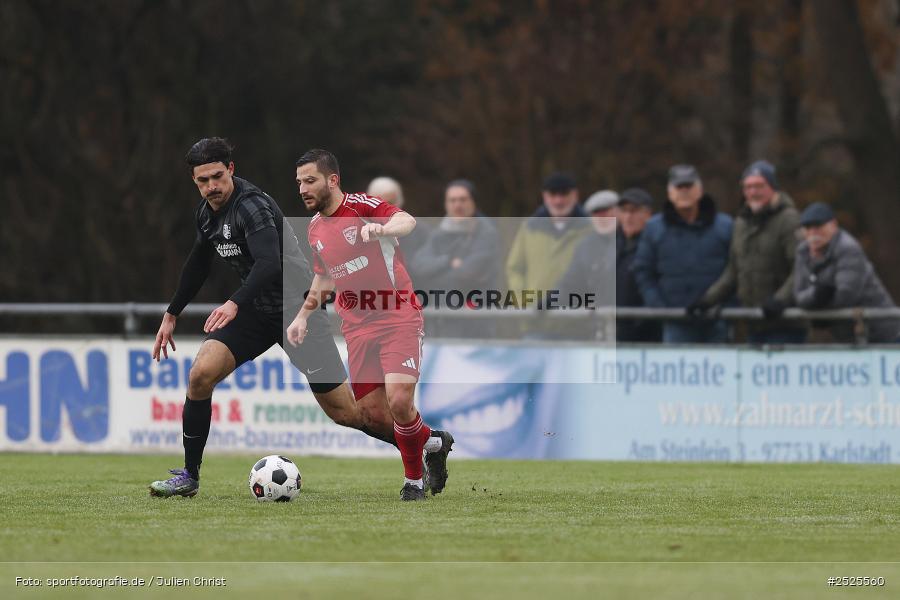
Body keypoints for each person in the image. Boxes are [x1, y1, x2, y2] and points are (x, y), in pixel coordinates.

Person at [148, 138, 398, 499]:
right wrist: (171, 314)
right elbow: (198, 264)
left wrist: (233, 303)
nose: (211, 187)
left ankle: (422, 443)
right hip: (255, 312)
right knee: (200, 375)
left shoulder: (252, 206)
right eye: (202, 181)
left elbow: (269, 263)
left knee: (348, 414)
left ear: (231, 170)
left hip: (297, 312)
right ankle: (189, 476)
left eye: (217, 177)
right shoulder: (206, 213)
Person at [289, 149, 453, 501]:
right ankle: (434, 442)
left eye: (311, 180)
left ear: (333, 180)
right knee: (372, 414)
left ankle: (412, 482)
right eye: (299, 182)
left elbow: (406, 220)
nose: (303, 188)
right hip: (357, 327)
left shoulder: (361, 207)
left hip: (397, 316)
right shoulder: (316, 229)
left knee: (398, 400)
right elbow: (324, 277)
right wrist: (303, 316)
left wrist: (384, 228)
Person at [690, 160, 805, 344]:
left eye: (759, 186)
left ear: (772, 187)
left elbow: (801, 268)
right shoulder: (741, 224)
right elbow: (734, 271)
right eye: (748, 187)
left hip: (786, 324)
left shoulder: (789, 220)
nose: (753, 192)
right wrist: (707, 300)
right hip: (754, 323)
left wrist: (780, 301)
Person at [632, 164, 733, 343]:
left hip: (716, 321)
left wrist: (725, 306)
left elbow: (736, 268)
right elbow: (642, 271)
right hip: (675, 323)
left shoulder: (724, 226)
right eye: (679, 187)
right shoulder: (655, 228)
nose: (684, 191)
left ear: (700, 191)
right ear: (670, 193)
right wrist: (661, 308)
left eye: (689, 186)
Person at [794, 202, 900, 343]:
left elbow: (846, 295)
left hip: (881, 332)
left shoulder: (848, 248)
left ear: (833, 225)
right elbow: (799, 295)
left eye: (818, 226)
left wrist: (820, 311)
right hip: (846, 335)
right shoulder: (803, 251)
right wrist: (816, 296)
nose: (813, 233)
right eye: (808, 227)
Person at [409, 179, 501, 338]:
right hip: (442, 320)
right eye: (452, 200)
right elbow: (417, 266)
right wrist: (448, 262)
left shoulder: (487, 233)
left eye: (463, 200)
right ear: (446, 204)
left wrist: (433, 274)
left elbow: (469, 273)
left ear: (474, 203)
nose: (457, 205)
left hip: (475, 322)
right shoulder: (440, 233)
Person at [506, 173, 590, 338]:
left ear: (575, 195)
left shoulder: (589, 230)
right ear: (544, 197)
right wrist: (524, 302)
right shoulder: (529, 228)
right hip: (535, 324)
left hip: (577, 323)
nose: (558, 201)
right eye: (553, 195)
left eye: (564, 194)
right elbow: (514, 268)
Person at [556, 190, 618, 340]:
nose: (602, 218)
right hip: (596, 328)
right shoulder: (585, 247)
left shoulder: (635, 240)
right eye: (597, 215)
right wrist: (550, 300)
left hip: (633, 326)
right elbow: (570, 283)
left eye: (607, 213)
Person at [615, 188, 662, 342]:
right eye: (624, 211)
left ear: (648, 215)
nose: (628, 217)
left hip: (647, 336)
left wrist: (640, 319)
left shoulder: (658, 246)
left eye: (634, 211)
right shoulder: (610, 245)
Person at [367, 176, 430, 257]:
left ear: (400, 202)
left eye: (390, 203)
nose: (385, 210)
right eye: (379, 205)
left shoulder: (420, 231)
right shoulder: (359, 231)